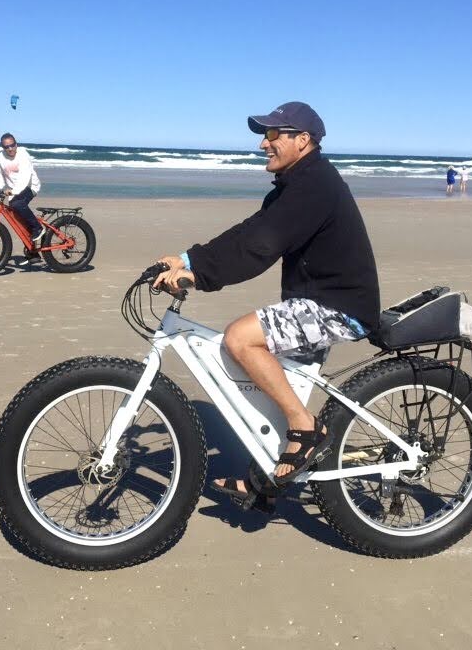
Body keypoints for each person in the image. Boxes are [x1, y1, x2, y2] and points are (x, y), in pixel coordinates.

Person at [153, 101, 380, 504]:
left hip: (339, 306)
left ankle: (305, 428)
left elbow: (261, 246)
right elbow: (250, 231)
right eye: (265, 134)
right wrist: (188, 260)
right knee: (276, 377)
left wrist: (199, 277)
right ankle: (270, 475)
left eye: (274, 134)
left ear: (303, 140)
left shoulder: (315, 186)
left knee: (240, 338)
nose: (263, 143)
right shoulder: (298, 185)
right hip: (319, 299)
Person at [0, 133, 44, 251]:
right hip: (14, 191)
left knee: (18, 205)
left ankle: (38, 228)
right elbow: (1, 174)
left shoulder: (23, 155)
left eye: (12, 145)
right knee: (18, 220)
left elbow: (24, 178)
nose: (10, 148)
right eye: (6, 147)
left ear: (16, 144)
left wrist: (12, 191)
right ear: (3, 147)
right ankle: (32, 252)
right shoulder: (0, 157)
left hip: (29, 186)